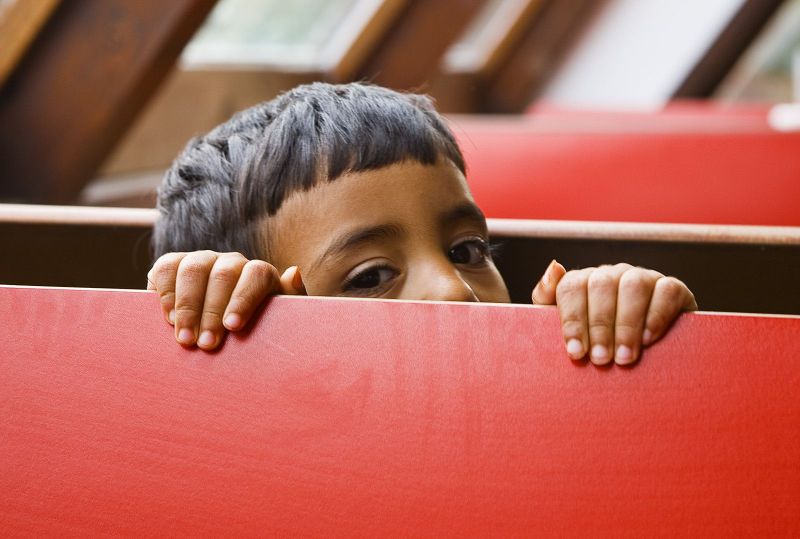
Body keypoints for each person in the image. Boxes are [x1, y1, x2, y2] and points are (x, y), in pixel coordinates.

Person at [148, 82, 696, 365]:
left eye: (466, 251)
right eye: (369, 277)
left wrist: (634, 334)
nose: (454, 292)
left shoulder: (549, 373)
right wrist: (222, 331)